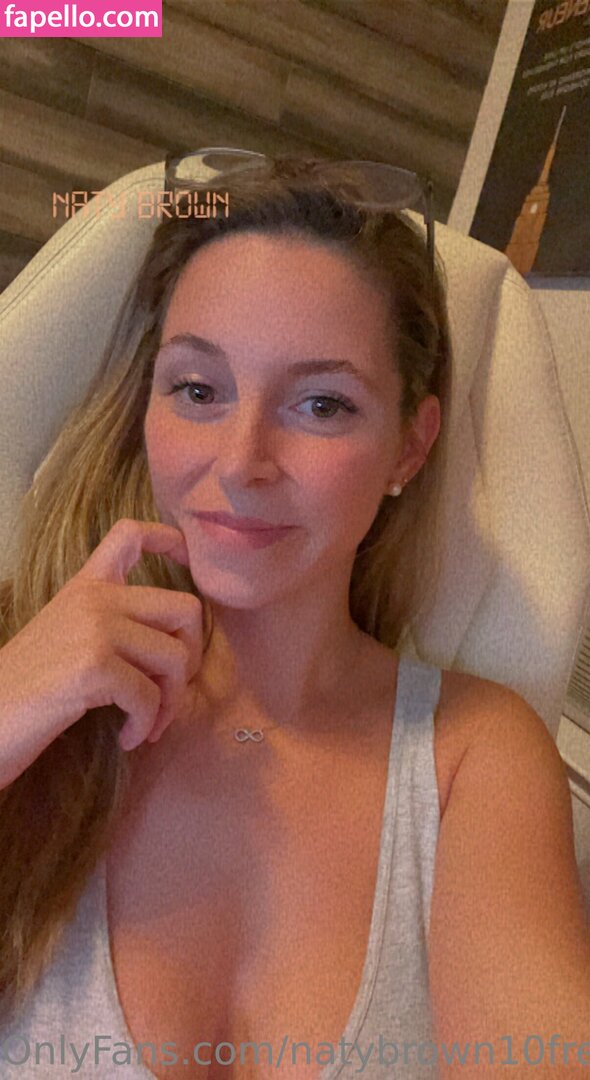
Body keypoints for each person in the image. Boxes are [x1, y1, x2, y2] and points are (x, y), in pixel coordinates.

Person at [0, 154, 588, 1080]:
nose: (242, 461)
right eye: (199, 390)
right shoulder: (23, 677)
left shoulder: (471, 759)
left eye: (322, 404)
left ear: (409, 447)